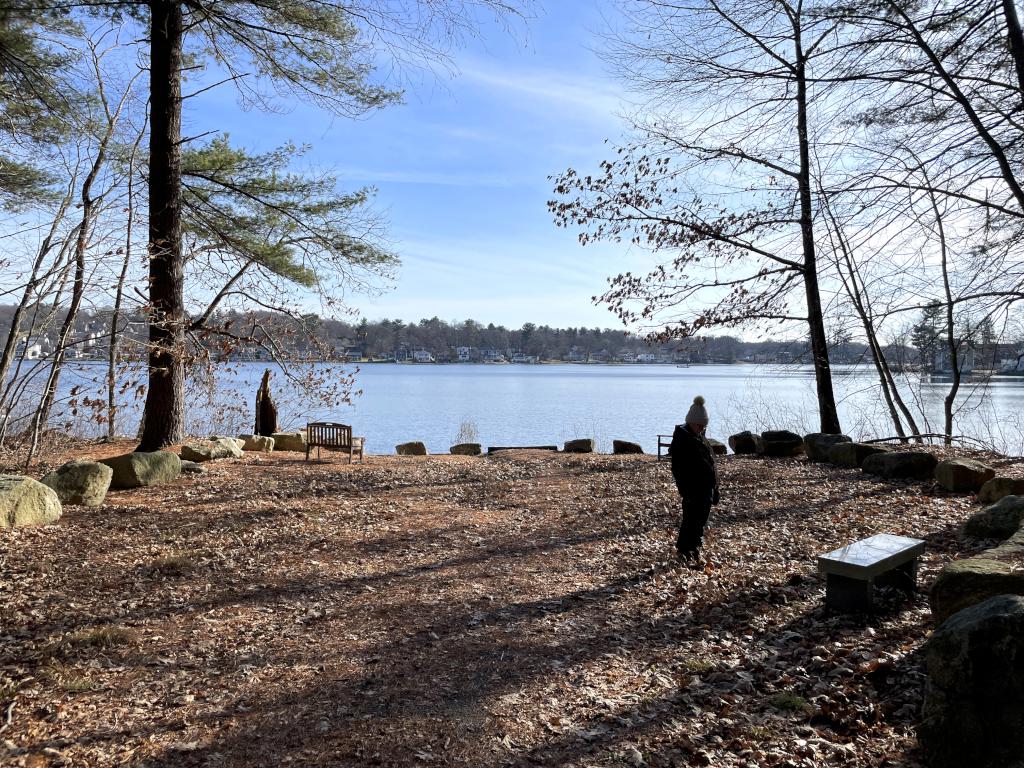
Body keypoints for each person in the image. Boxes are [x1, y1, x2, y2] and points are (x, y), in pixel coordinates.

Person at [669, 395, 720, 564]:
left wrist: (715, 488)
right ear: (691, 422)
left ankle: (694, 548)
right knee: (690, 520)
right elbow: (678, 469)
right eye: (699, 425)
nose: (701, 428)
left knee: (700, 521)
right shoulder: (682, 440)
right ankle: (684, 550)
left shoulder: (700, 438)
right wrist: (685, 490)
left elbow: (711, 464)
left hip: (706, 489)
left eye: (704, 426)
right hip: (692, 489)